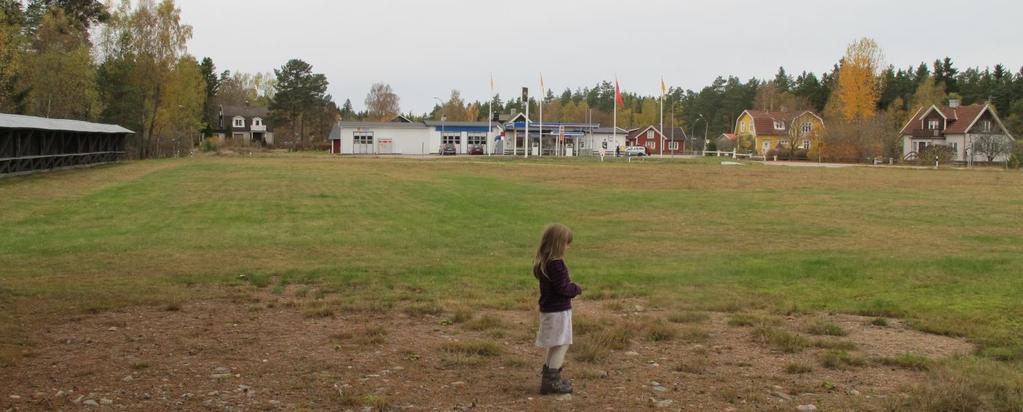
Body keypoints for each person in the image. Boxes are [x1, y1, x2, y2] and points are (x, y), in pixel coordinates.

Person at [532, 223, 583, 395]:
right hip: (558, 311)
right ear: (559, 243)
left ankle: (549, 377)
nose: (568, 247)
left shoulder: (544, 262)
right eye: (567, 243)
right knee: (562, 343)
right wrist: (576, 288)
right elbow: (563, 288)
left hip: (549, 310)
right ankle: (552, 382)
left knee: (555, 343)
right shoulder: (556, 264)